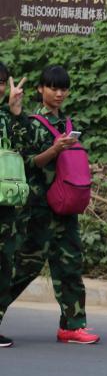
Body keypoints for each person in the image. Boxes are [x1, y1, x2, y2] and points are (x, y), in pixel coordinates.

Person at [0, 65, 100, 344]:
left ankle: (72, 325)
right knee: (24, 268)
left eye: (63, 88)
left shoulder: (67, 124)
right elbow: (27, 163)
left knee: (70, 266)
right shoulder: (31, 122)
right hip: (38, 208)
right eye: (53, 88)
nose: (59, 93)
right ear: (40, 89)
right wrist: (54, 150)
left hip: (65, 206)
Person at [0, 66, 27, 347]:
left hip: (5, 204)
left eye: (0, 83)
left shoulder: (7, 117)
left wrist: (16, 111)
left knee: (4, 264)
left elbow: (25, 147)